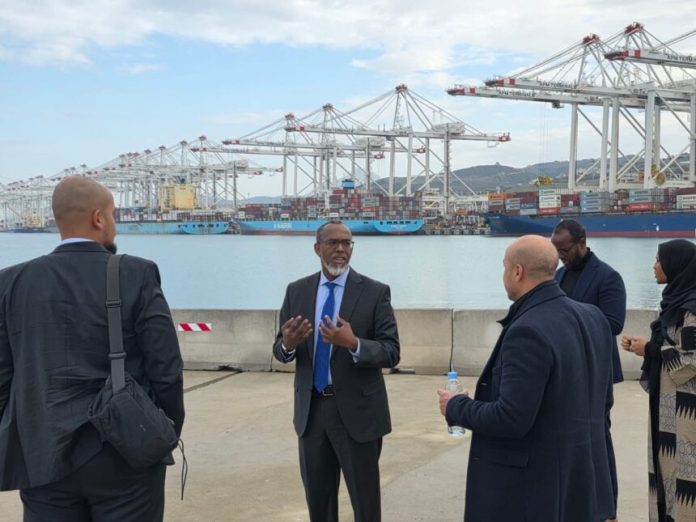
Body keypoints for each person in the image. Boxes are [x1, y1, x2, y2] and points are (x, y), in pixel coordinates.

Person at [0, 176, 185, 521]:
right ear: (99, 218)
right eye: (113, 215)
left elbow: (3, 375)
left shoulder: (11, 282)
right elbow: (167, 368)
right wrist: (166, 432)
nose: (114, 224)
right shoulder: (136, 273)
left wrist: (21, 438)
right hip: (124, 450)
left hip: (42, 453)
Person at [438, 235, 615, 522]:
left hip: (533, 493)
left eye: (504, 266)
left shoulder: (527, 330)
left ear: (517, 271)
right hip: (583, 487)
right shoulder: (594, 318)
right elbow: (603, 404)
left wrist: (455, 406)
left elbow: (511, 418)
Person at [272, 220, 400, 522]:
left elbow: (391, 352)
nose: (341, 249)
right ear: (317, 248)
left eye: (347, 243)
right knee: (319, 505)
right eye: (333, 243)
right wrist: (288, 344)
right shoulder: (297, 291)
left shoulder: (374, 292)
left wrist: (354, 343)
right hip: (311, 413)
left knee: (366, 506)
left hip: (358, 415)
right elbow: (280, 350)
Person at [551, 218, 626, 521]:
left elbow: (613, 323)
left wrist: (569, 323)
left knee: (598, 441)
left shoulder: (608, 277)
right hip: (563, 371)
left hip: (595, 372)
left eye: (565, 249)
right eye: (556, 250)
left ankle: (607, 509)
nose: (561, 256)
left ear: (582, 242)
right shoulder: (557, 276)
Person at [621, 239, 696, 522]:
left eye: (658, 260)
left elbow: (692, 360)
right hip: (667, 408)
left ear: (676, 265)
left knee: (687, 479)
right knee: (666, 473)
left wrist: (650, 350)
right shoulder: (675, 302)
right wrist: (644, 347)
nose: (654, 266)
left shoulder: (691, 308)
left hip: (686, 412)